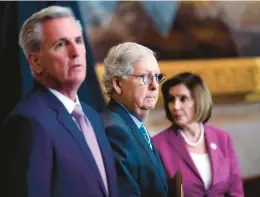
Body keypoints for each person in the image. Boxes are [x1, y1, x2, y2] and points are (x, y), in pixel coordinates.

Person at [0, 6, 118, 197]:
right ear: (36, 62)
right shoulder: (27, 123)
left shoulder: (93, 118)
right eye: (61, 44)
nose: (76, 52)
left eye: (78, 41)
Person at [152, 72, 244, 197]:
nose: (175, 106)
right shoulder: (158, 145)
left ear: (198, 100)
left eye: (183, 99)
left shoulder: (222, 138)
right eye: (171, 100)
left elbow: (235, 190)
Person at [101, 42, 168, 197]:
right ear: (118, 83)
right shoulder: (114, 131)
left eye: (157, 77)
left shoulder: (132, 125)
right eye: (145, 77)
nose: (154, 86)